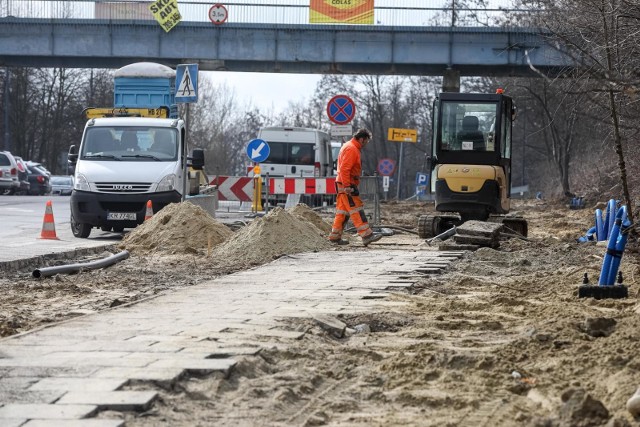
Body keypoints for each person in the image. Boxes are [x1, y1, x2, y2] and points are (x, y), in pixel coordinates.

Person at [329, 128, 383, 247]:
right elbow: (345, 169)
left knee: (342, 212)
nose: (366, 144)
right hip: (346, 185)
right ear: (362, 139)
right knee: (356, 209)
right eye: (366, 142)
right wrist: (348, 186)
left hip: (343, 184)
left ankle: (334, 237)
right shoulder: (352, 149)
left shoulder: (349, 146)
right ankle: (366, 235)